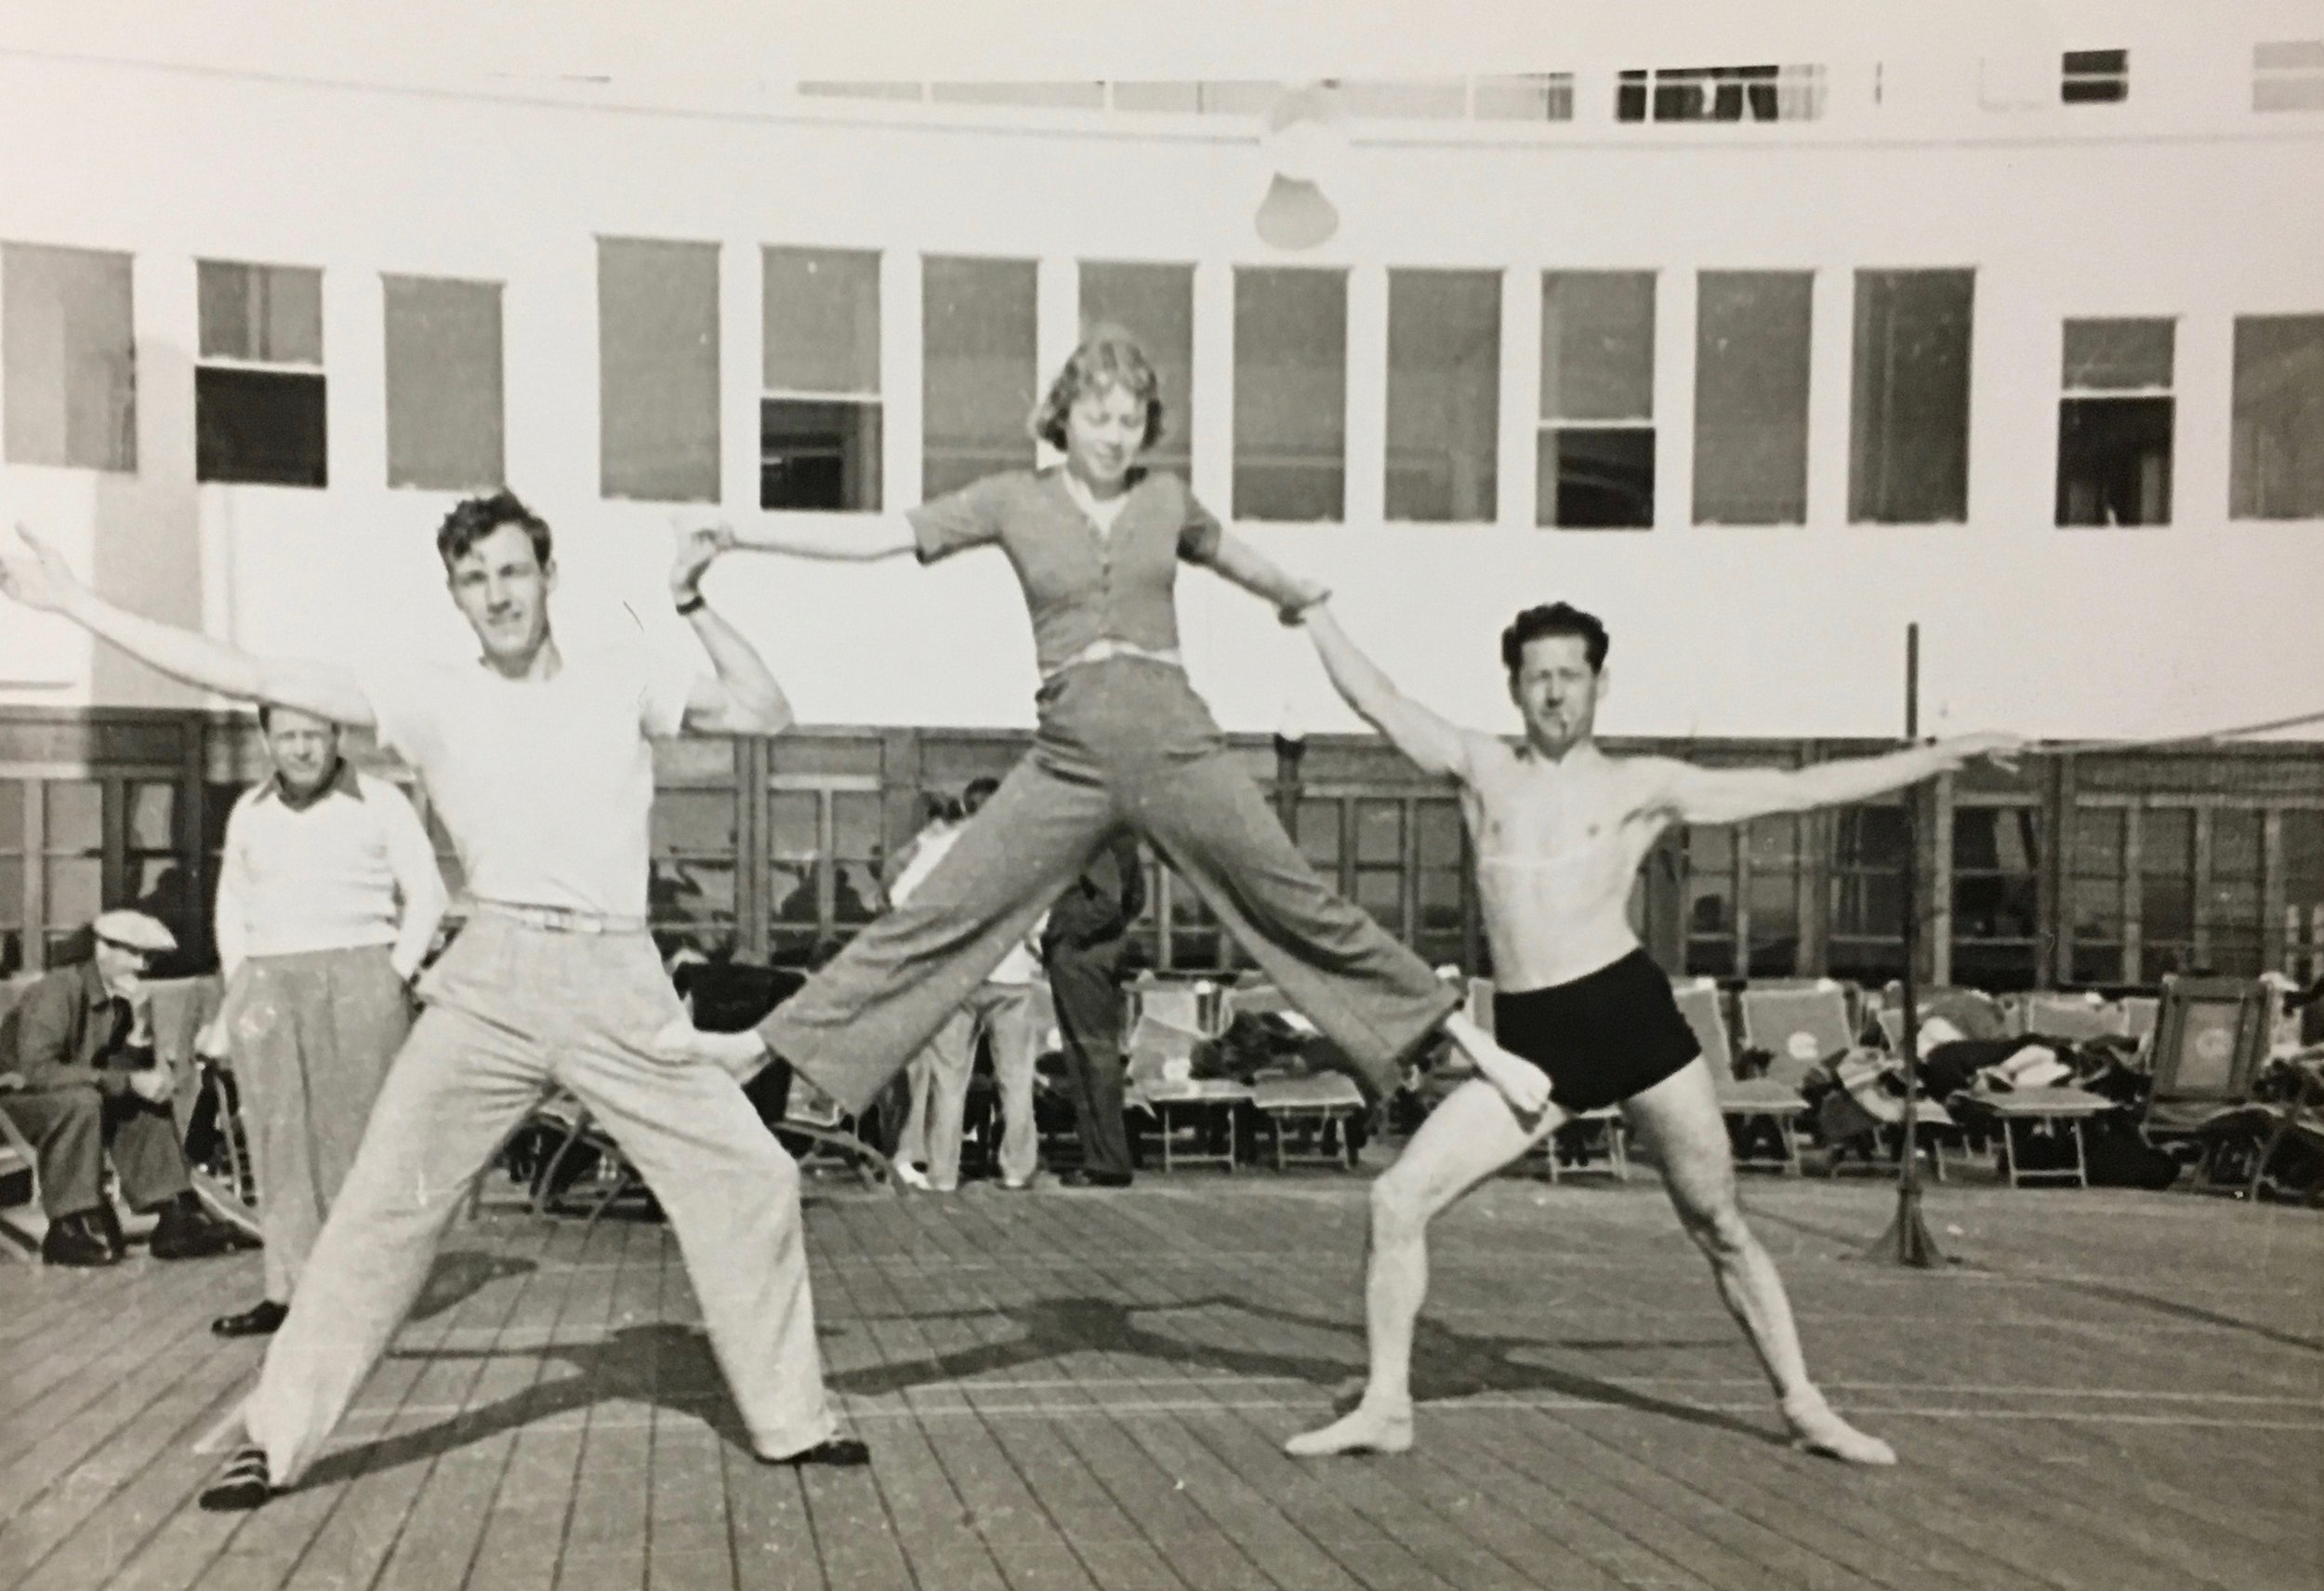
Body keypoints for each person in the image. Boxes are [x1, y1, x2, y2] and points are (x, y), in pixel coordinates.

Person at [0, 490, 865, 1514]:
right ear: (454, 595)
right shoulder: (429, 695)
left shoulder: (621, 673)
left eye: (511, 570)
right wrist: (78, 604)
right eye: (474, 579)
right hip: (488, 979)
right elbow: (253, 672)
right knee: (374, 1211)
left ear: (548, 575)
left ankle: (793, 1417)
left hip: (614, 978)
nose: (497, 594)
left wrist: (688, 601)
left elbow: (765, 710)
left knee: (753, 1177)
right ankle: (273, 1441)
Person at [654, 325, 1538, 1130]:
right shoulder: (1010, 498)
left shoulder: (1168, 500)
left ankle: (1472, 1042)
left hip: (1175, 741)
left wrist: (1301, 596)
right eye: (1099, 414)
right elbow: (881, 537)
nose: (1117, 433)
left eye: (1133, 417)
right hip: (1071, 750)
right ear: (1064, 416)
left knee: (1293, 900)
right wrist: (737, 533)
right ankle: (760, 1046)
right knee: (944, 910)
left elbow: (1247, 563)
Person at [1284, 598, 2025, 1465]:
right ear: (1515, 688)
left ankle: (1804, 1404)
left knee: (1716, 1220)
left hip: (1630, 1019)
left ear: (1599, 684)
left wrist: (1944, 754)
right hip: (1531, 1041)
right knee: (1396, 1198)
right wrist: (1312, 609)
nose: (1556, 694)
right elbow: (1378, 698)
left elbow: (1798, 789)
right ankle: (1385, 1404)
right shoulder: (1479, 768)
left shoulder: (1643, 785)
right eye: (1539, 677)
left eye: (1571, 676)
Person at [201, 704, 450, 1338]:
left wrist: (392, 973)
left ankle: (364, 1296)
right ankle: (288, 1292)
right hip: (268, 979)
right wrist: (241, 982)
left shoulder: (381, 800)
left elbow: (428, 893)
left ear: (336, 735)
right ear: (266, 739)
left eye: (314, 734)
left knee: (358, 1139)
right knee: (277, 1140)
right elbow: (231, 900)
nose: (303, 748)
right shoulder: (249, 810)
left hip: (360, 973)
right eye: (288, 736)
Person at [2, 908, 243, 1266]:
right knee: (84, 1101)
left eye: (149, 957)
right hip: (21, 1099)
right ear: (102, 949)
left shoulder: (122, 998)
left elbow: (117, 1070)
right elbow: (37, 1071)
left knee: (140, 1100)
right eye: (134, 954)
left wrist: (139, 1035)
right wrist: (127, 1081)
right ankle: (70, 1224)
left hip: (80, 1095)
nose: (143, 966)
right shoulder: (56, 990)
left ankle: (174, 1212)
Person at [889, 777, 1049, 1192]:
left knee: (948, 1078)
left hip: (957, 975)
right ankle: (1017, 1169)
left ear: (964, 806)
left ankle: (943, 1175)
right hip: (1011, 974)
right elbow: (1040, 919)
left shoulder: (944, 847)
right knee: (1015, 1077)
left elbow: (901, 895)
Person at [1042, 828, 1146, 1187]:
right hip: (1096, 957)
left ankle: (1106, 1161)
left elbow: (1110, 901)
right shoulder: (1122, 839)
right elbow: (1135, 900)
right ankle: (1102, 1158)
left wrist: (1063, 932)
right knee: (1092, 1058)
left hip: (1082, 960)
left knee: (1089, 1060)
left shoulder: (1094, 838)